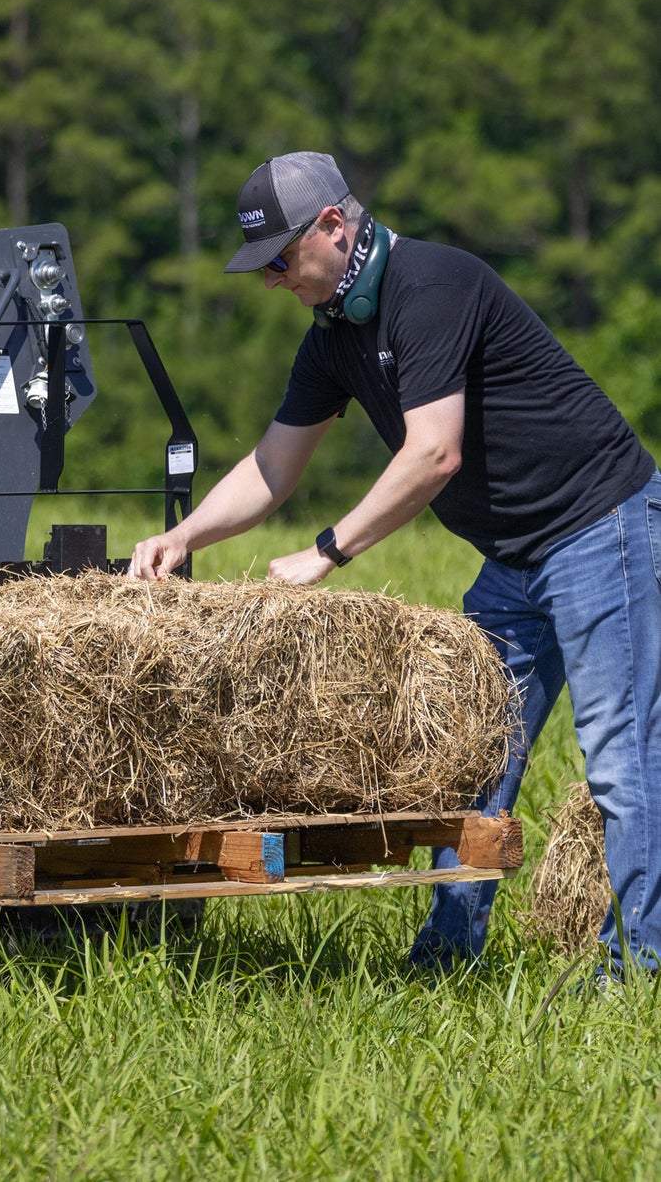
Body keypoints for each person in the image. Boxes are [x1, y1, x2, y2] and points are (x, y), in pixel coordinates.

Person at [129, 151, 661, 974]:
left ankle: (639, 967)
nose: (272, 281)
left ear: (334, 228)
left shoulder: (432, 286)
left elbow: (434, 455)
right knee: (472, 759)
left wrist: (326, 551)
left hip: (602, 528)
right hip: (514, 556)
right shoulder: (333, 338)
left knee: (623, 762)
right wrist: (185, 537)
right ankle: (448, 953)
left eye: (279, 259)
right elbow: (273, 466)